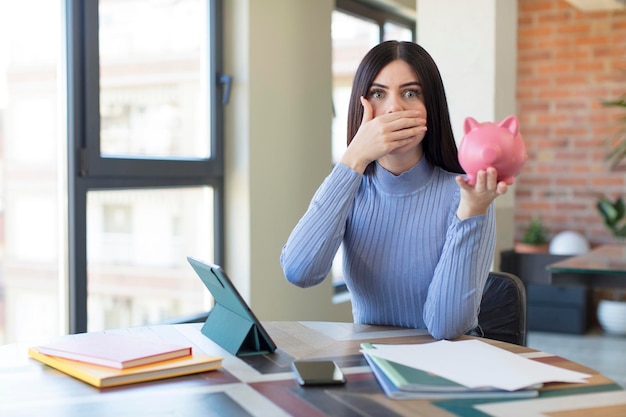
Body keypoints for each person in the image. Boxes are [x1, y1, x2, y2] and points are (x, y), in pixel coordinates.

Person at [280, 41, 510, 340]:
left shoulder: (466, 194)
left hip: (446, 371)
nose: (394, 108)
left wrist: (471, 212)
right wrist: (354, 157)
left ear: (431, 107)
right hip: (368, 367)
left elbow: (446, 328)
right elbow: (300, 272)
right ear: (362, 106)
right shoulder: (350, 185)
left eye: (410, 93)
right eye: (378, 94)